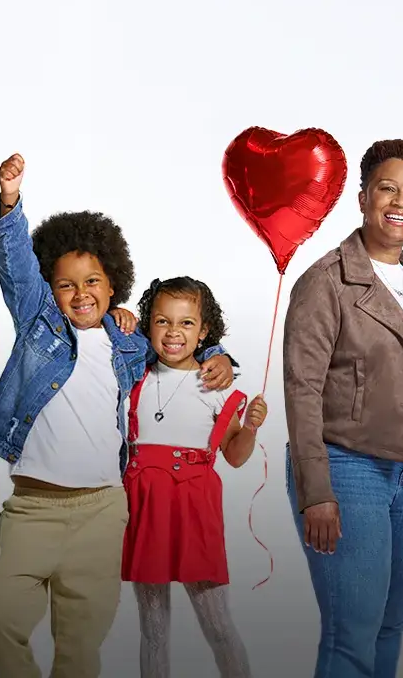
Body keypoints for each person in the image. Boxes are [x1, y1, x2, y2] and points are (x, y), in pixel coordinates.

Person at [0, 153, 236, 678]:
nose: (80, 294)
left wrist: (219, 357)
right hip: (33, 507)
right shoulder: (40, 325)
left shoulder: (129, 344)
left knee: (80, 645)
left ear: (112, 285)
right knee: (3, 620)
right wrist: (10, 206)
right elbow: (18, 267)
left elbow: (178, 346)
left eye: (92, 282)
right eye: (67, 284)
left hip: (102, 512)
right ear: (51, 291)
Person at [283, 138, 403, 678]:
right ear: (362, 198)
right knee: (352, 631)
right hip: (347, 465)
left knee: (392, 620)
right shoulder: (325, 281)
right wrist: (317, 490)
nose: (401, 202)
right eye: (388, 188)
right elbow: (302, 388)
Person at [123, 277, 267, 678]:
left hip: (194, 510)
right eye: (162, 321)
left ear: (204, 331)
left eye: (186, 324)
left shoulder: (218, 385)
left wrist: (251, 428)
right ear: (148, 324)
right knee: (152, 627)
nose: (173, 333)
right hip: (145, 509)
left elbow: (235, 456)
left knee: (217, 623)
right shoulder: (133, 377)